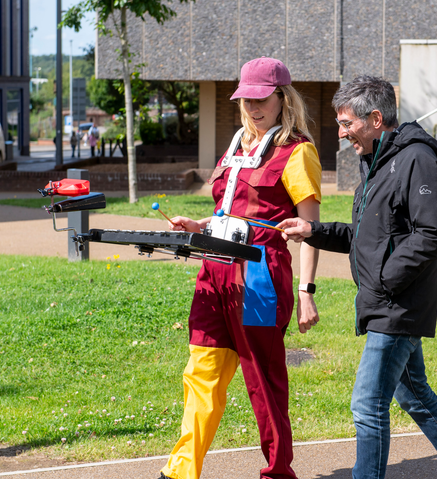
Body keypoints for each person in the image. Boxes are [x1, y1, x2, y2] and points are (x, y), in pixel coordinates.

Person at [278, 76, 437, 479]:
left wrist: (386, 280)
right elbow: (365, 236)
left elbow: (432, 234)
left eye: (347, 123)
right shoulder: (375, 161)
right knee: (413, 394)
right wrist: (312, 231)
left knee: (367, 404)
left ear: (375, 118)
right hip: (384, 300)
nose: (341, 133)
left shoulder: (416, 159)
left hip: (398, 304)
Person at [159, 57, 322, 479]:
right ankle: (180, 472)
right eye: (244, 99)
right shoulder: (235, 144)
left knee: (263, 383)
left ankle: (277, 473)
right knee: (201, 373)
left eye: (260, 98)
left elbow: (310, 228)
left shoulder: (298, 150)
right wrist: (198, 225)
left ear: (282, 99)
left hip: (259, 277)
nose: (251, 107)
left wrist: (307, 290)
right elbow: (225, 211)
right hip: (213, 269)